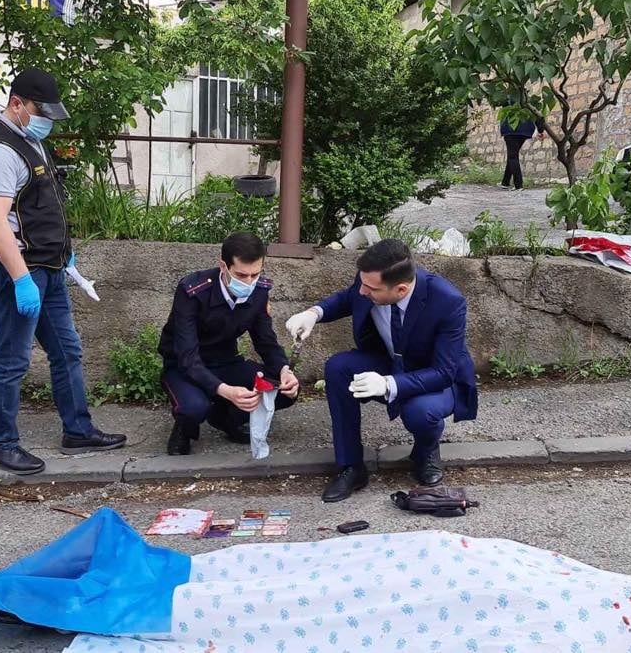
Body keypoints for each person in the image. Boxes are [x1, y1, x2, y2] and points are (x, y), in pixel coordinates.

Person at [0, 68, 125, 474]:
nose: (47, 122)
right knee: (13, 360)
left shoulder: (30, 141)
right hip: (19, 272)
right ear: (16, 103)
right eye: (41, 112)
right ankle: (1, 444)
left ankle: (78, 430)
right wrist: (21, 279)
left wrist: (64, 255)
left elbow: (40, 207)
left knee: (67, 351)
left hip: (50, 268)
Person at [285, 239, 478, 503]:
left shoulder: (447, 301)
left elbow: (443, 372)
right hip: (389, 361)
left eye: (371, 288)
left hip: (435, 376)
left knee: (421, 412)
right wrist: (313, 313)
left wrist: (387, 384)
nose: (362, 291)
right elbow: (348, 297)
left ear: (401, 289)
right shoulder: (370, 280)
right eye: (362, 283)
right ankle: (351, 466)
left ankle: (426, 451)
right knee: (338, 368)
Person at [158, 232, 299, 455]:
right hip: (184, 366)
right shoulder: (193, 290)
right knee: (193, 408)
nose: (249, 282)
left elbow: (266, 341)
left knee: (283, 390)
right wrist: (226, 391)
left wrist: (284, 370)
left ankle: (225, 418)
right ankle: (185, 428)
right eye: (241, 275)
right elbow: (187, 356)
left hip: (226, 362)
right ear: (223, 266)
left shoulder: (259, 291)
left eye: (255, 274)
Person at [499, 111, 545, 191]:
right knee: (512, 155)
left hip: (511, 129)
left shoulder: (508, 102)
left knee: (513, 157)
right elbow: (537, 112)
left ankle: (518, 185)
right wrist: (540, 130)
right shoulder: (529, 103)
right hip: (526, 129)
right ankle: (505, 182)